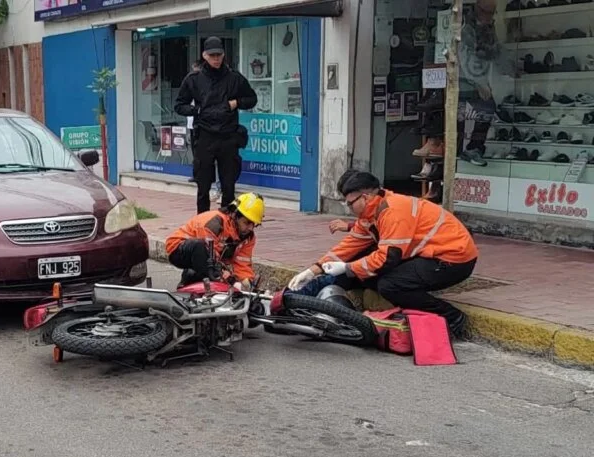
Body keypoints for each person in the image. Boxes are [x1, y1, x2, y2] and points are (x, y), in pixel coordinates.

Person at [287, 170, 479, 337]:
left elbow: (387, 258)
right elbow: (348, 246)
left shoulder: (394, 212)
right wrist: (313, 270)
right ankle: (305, 299)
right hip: (429, 254)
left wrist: (348, 268)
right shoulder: (370, 214)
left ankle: (452, 317)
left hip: (453, 259)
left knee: (390, 285)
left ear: (365, 197)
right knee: (363, 270)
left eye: (350, 203)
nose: (348, 207)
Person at [175, 36, 257, 213]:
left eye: (219, 55)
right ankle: (202, 222)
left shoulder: (234, 78)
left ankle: (226, 223)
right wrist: (196, 110)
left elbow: (252, 99)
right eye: (212, 55)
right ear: (205, 55)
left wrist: (236, 103)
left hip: (228, 136)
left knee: (229, 185)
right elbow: (179, 105)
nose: (216, 59)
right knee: (203, 185)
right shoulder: (194, 79)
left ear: (223, 54)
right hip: (205, 137)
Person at [165, 192, 264, 291]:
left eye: (254, 224)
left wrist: (248, 283)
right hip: (178, 248)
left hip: (202, 255)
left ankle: (190, 284)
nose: (250, 228)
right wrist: (232, 282)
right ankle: (190, 285)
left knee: (208, 265)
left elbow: (242, 264)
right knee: (205, 256)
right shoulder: (214, 224)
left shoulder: (248, 237)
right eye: (247, 223)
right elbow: (211, 258)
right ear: (235, 215)